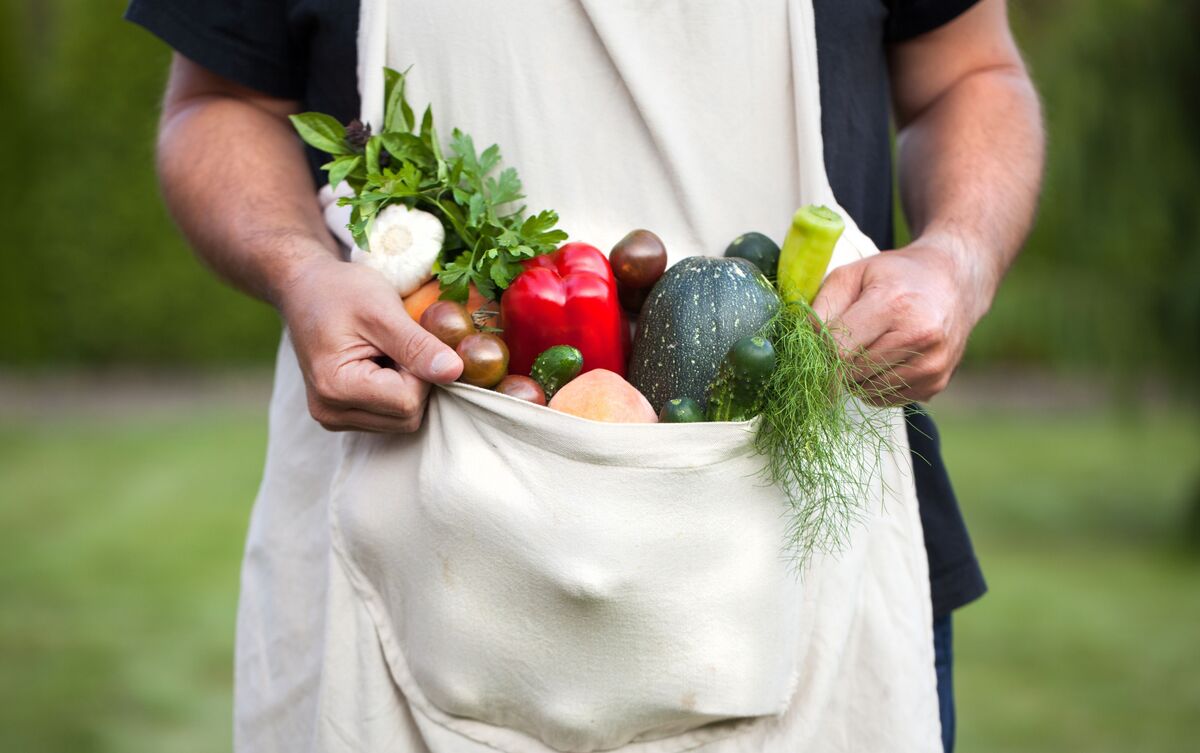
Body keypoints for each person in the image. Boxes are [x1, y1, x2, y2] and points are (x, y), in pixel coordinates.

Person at [126, 1, 1043, 751]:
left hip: (813, 550)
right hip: (396, 533)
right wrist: (301, 270)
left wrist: (957, 259)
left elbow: (970, 74)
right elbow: (217, 104)